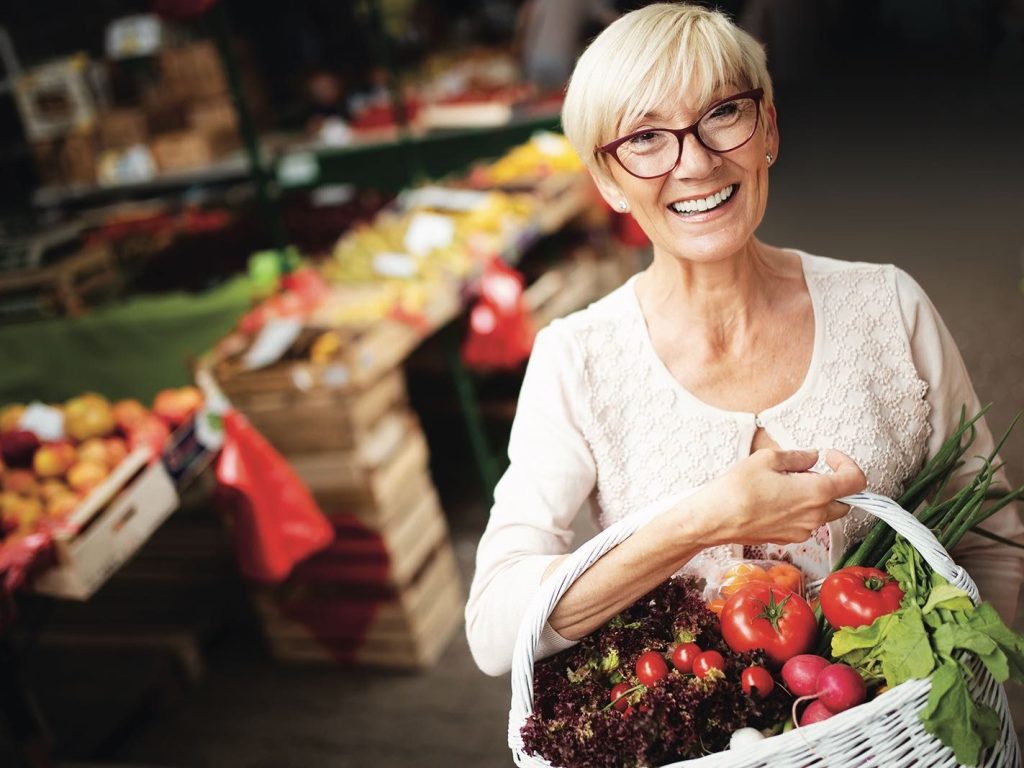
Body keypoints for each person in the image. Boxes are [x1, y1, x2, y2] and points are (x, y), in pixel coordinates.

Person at [465, 2, 1024, 677]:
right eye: (645, 138)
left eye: (723, 113)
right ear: (608, 181)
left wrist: (957, 704)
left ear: (768, 131)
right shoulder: (578, 359)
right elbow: (495, 631)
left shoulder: (886, 304)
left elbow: (993, 535)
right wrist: (702, 522)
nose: (695, 162)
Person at [515, 0, 619, 91]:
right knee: (554, 101)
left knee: (534, 101)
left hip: (535, 57)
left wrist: (520, 46)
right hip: (561, 59)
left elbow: (526, 15)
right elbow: (607, 16)